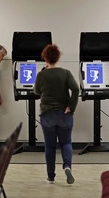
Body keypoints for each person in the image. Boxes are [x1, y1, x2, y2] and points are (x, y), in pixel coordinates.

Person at [34, 44, 79, 184]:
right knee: (66, 142)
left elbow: (36, 92)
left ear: (45, 58)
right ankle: (67, 166)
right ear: (58, 57)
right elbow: (76, 89)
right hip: (64, 113)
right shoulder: (66, 73)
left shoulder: (41, 74)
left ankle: (51, 176)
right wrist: (71, 107)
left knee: (50, 146)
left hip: (47, 114)